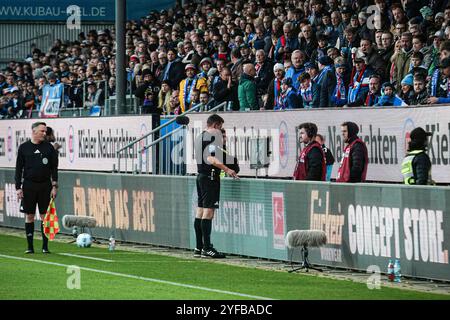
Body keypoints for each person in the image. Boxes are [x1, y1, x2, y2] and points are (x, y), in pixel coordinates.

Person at [194, 114, 239, 258]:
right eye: (220, 128)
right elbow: (210, 158)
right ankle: (207, 248)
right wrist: (227, 169)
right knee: (208, 212)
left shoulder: (200, 136)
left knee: (200, 211)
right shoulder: (211, 138)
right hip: (210, 178)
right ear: (215, 125)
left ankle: (199, 247)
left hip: (201, 176)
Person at [15, 122, 58, 254]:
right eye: (42, 131)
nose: (45, 134)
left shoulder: (49, 148)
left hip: (45, 185)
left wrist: (54, 186)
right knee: (30, 216)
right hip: (29, 185)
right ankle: (30, 247)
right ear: (34, 131)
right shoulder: (24, 148)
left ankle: (45, 247)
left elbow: (54, 169)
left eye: (45, 131)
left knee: (45, 216)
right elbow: (18, 169)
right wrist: (18, 187)